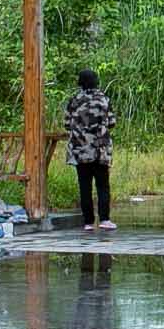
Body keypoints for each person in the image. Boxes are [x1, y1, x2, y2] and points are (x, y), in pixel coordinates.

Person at [61, 66, 116, 230]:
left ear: (80, 82)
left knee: (84, 186)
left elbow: (66, 124)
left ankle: (88, 222)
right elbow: (112, 122)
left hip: (80, 150)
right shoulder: (104, 99)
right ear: (96, 81)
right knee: (102, 185)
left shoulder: (74, 100)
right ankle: (105, 219)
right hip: (100, 150)